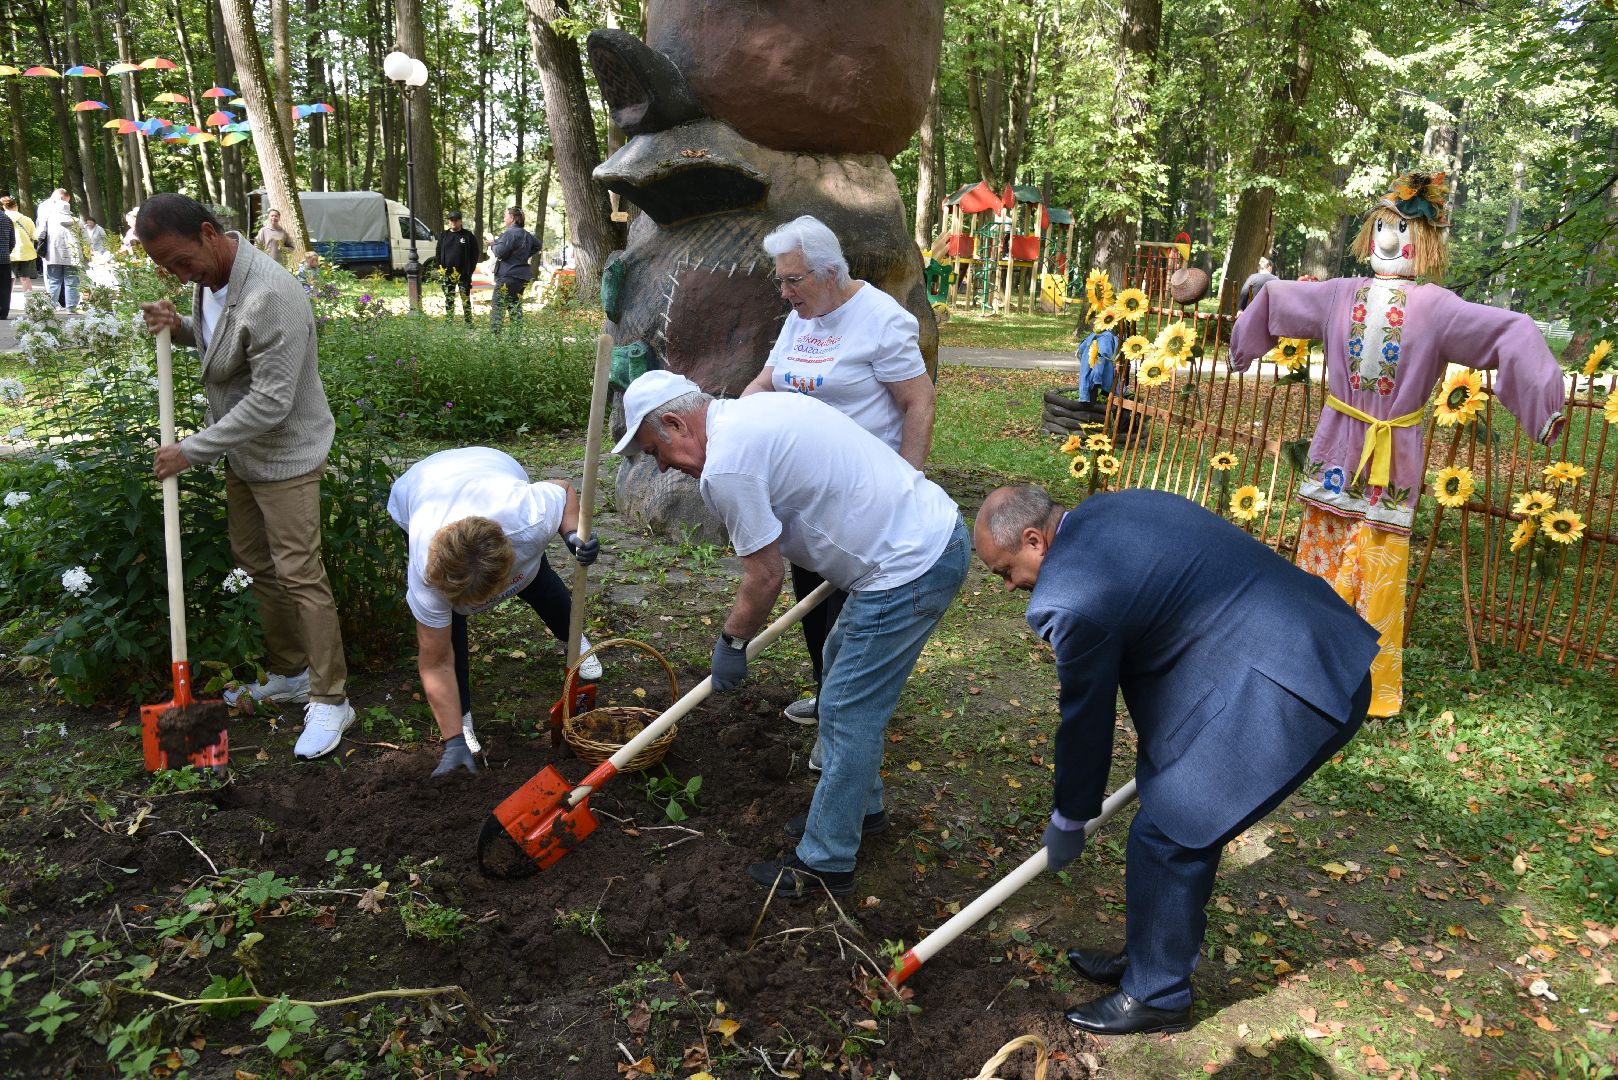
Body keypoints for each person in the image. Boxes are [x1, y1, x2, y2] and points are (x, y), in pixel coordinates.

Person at [973, 484, 1379, 1035]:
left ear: (1033, 540)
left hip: (1296, 685)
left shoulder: (1070, 595)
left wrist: (1070, 816)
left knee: (1169, 834)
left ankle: (1157, 994)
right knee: (1166, 807)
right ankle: (1147, 956)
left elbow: (1087, 717)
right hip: (1299, 644)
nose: (1009, 586)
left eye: (1006, 571)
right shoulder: (1115, 507)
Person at [616, 370, 969, 898]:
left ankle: (826, 862)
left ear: (675, 422)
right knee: (838, 662)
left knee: (847, 708)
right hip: (919, 539)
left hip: (908, 567)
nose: (663, 467)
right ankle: (859, 810)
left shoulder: (728, 465)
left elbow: (764, 576)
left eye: (655, 451)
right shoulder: (751, 413)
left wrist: (732, 642)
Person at [1230, 172, 1566, 717]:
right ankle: (1299, 664)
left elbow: (1510, 330)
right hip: (1337, 445)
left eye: (1402, 228)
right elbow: (1281, 300)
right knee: (1319, 555)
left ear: (1423, 240)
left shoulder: (1438, 308)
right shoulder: (1340, 293)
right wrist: (1248, 329)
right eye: (1384, 225)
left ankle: (1371, 688)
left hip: (1394, 453)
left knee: (1380, 571)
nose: (1390, 237)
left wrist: (1543, 402)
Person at [135, 193, 354, 760]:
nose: (179, 274)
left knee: (299, 572)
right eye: (167, 268)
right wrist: (180, 326)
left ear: (209, 234)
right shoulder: (211, 275)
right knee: (256, 562)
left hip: (285, 455)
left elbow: (272, 401)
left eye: (181, 262)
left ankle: (332, 699)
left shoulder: (270, 294)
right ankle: (292, 673)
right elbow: (226, 343)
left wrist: (191, 450)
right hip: (244, 453)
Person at [739, 215, 936, 732]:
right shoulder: (800, 319)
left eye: (793, 280)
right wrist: (735, 426)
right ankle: (827, 693)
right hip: (805, 496)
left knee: (845, 614)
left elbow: (919, 401)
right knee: (810, 603)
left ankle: (844, 717)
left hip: (864, 500)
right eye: (780, 280)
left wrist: (908, 482)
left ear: (829, 272)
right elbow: (764, 383)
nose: (784, 292)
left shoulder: (881, 319)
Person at [387, 447, 604, 776]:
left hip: (492, 467)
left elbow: (564, 489)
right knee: (450, 627)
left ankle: (575, 640)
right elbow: (436, 661)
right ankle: (462, 720)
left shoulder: (530, 517)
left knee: (538, 581)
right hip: (419, 486)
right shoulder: (426, 576)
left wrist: (572, 533)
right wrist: (452, 739)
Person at [489, 207, 540, 332]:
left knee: (498, 306)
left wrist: (492, 244)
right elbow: (538, 245)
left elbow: (500, 252)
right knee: (515, 307)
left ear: (512, 218)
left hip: (508, 275)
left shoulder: (509, 233)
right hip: (522, 277)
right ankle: (516, 338)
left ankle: (495, 338)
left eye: (505, 216)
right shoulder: (526, 234)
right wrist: (524, 256)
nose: (504, 218)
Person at [39, 191, 84, 312]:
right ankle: (71, 307)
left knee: (53, 281)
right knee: (72, 281)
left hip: (53, 255)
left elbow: (40, 234)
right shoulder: (76, 221)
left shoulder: (49, 219)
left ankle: (50, 307)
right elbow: (86, 239)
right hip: (72, 256)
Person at [435, 211, 480, 325]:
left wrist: (470, 270)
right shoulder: (443, 235)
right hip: (447, 273)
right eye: (451, 220)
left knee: (465, 298)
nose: (453, 222)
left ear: (460, 221)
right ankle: (449, 321)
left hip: (463, 274)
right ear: (448, 222)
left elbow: (475, 254)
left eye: (456, 220)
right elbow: (438, 252)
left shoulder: (468, 236)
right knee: (449, 298)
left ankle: (468, 322)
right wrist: (440, 268)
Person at [1, 196, 37, 298]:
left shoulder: (3, 219)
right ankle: (30, 302)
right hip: (27, 252)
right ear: (16, 206)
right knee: (25, 278)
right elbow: (35, 236)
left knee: (9, 279)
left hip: (9, 253)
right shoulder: (27, 219)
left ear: (4, 207)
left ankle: (6, 302)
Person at [0, 206, 12, 321]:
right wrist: (7, 251)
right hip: (4, 258)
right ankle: (3, 312)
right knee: (4, 287)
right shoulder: (6, 218)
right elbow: (12, 241)